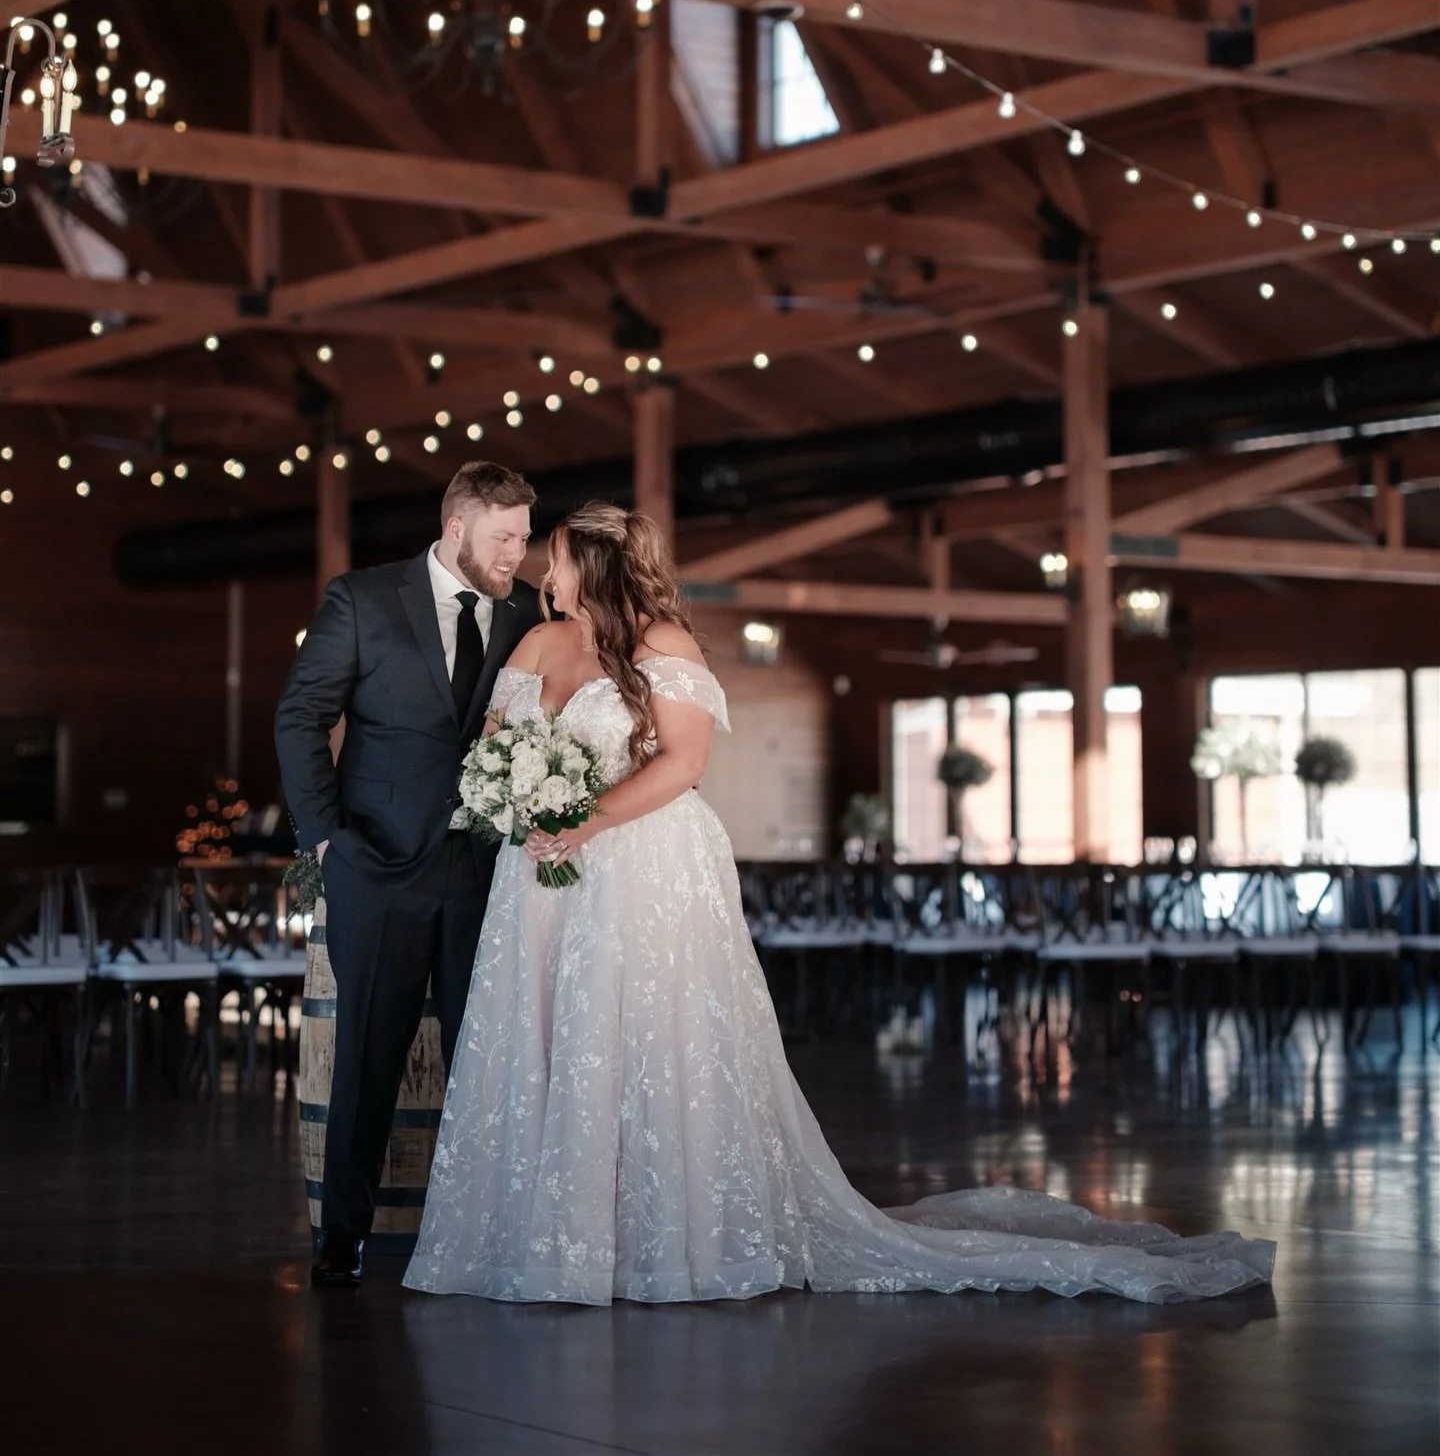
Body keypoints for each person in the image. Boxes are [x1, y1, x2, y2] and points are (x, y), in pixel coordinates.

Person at [403, 501, 1276, 1306]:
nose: (543, 577)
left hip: (640, 865)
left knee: (646, 1033)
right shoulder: (536, 646)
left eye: (554, 561)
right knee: (551, 1035)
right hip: (543, 877)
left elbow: (682, 766)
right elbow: (494, 748)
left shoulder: (664, 643)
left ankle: (657, 1238)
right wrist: (518, 800)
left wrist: (583, 820)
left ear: (589, 567)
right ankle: (550, 1237)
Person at [276, 461, 542, 1288]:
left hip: (486, 875)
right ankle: (341, 1237)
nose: (519, 556)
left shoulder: (528, 612)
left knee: (483, 1056)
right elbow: (302, 715)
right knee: (367, 1056)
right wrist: (325, 842)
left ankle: (481, 1231)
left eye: (527, 539)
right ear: (457, 528)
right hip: (377, 869)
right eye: (505, 539)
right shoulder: (362, 599)